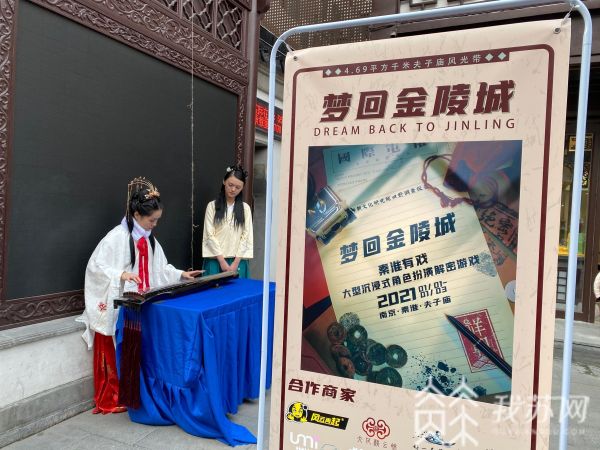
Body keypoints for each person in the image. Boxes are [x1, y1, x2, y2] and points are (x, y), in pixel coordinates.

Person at [76, 177, 201, 414]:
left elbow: (160, 269)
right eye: (151, 220)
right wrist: (121, 274)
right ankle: (111, 396)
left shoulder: (149, 238)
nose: (155, 224)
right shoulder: (116, 237)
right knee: (114, 348)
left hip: (139, 304)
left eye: (157, 220)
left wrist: (181, 274)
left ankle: (132, 392)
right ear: (136, 214)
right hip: (121, 304)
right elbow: (95, 267)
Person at [202, 164, 253, 277]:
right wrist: (221, 261)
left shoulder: (245, 209)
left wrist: (236, 262)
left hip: (238, 261)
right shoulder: (212, 206)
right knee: (214, 289)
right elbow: (209, 234)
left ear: (242, 188)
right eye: (230, 185)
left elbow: (246, 236)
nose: (233, 189)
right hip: (215, 259)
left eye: (238, 187)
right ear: (224, 181)